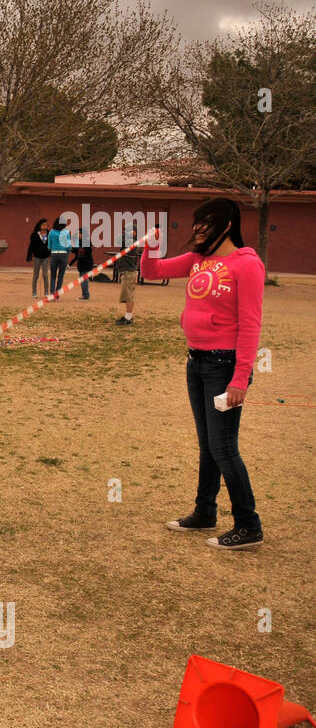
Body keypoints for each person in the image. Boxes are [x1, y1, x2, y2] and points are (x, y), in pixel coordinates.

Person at [143, 198, 265, 550]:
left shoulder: (247, 265)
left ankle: (249, 526)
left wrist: (241, 377)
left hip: (224, 366)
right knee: (208, 445)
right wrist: (151, 245)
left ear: (226, 225)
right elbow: (153, 273)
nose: (197, 229)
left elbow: (250, 323)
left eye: (205, 222)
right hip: (196, 362)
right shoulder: (200, 260)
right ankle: (204, 512)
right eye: (196, 222)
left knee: (224, 447)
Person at [113, 233, 140, 325]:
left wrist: (126, 235)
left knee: (128, 296)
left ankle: (128, 318)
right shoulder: (127, 241)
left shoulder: (132, 242)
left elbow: (122, 241)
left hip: (129, 273)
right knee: (126, 296)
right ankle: (128, 316)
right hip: (126, 272)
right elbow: (117, 240)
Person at [47, 217, 72, 298]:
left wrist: (52, 250)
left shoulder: (51, 232)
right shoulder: (66, 232)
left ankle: (51, 294)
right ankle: (57, 295)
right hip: (63, 254)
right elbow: (69, 246)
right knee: (61, 275)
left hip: (54, 254)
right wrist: (67, 252)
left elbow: (49, 245)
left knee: (53, 276)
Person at [27, 219, 51, 298]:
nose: (45, 226)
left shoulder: (49, 233)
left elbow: (52, 244)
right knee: (36, 275)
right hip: (37, 257)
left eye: (46, 225)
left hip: (46, 257)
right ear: (39, 225)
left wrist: (51, 253)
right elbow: (31, 246)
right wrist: (30, 256)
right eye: (43, 225)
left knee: (45, 275)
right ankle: (34, 292)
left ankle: (46, 292)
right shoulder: (34, 235)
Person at [70, 224, 94, 300]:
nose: (79, 235)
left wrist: (79, 249)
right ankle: (86, 294)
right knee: (83, 279)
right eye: (78, 234)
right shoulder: (79, 242)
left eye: (80, 233)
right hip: (81, 264)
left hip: (86, 263)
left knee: (84, 280)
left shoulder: (86, 242)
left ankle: (85, 295)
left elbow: (88, 251)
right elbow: (75, 252)